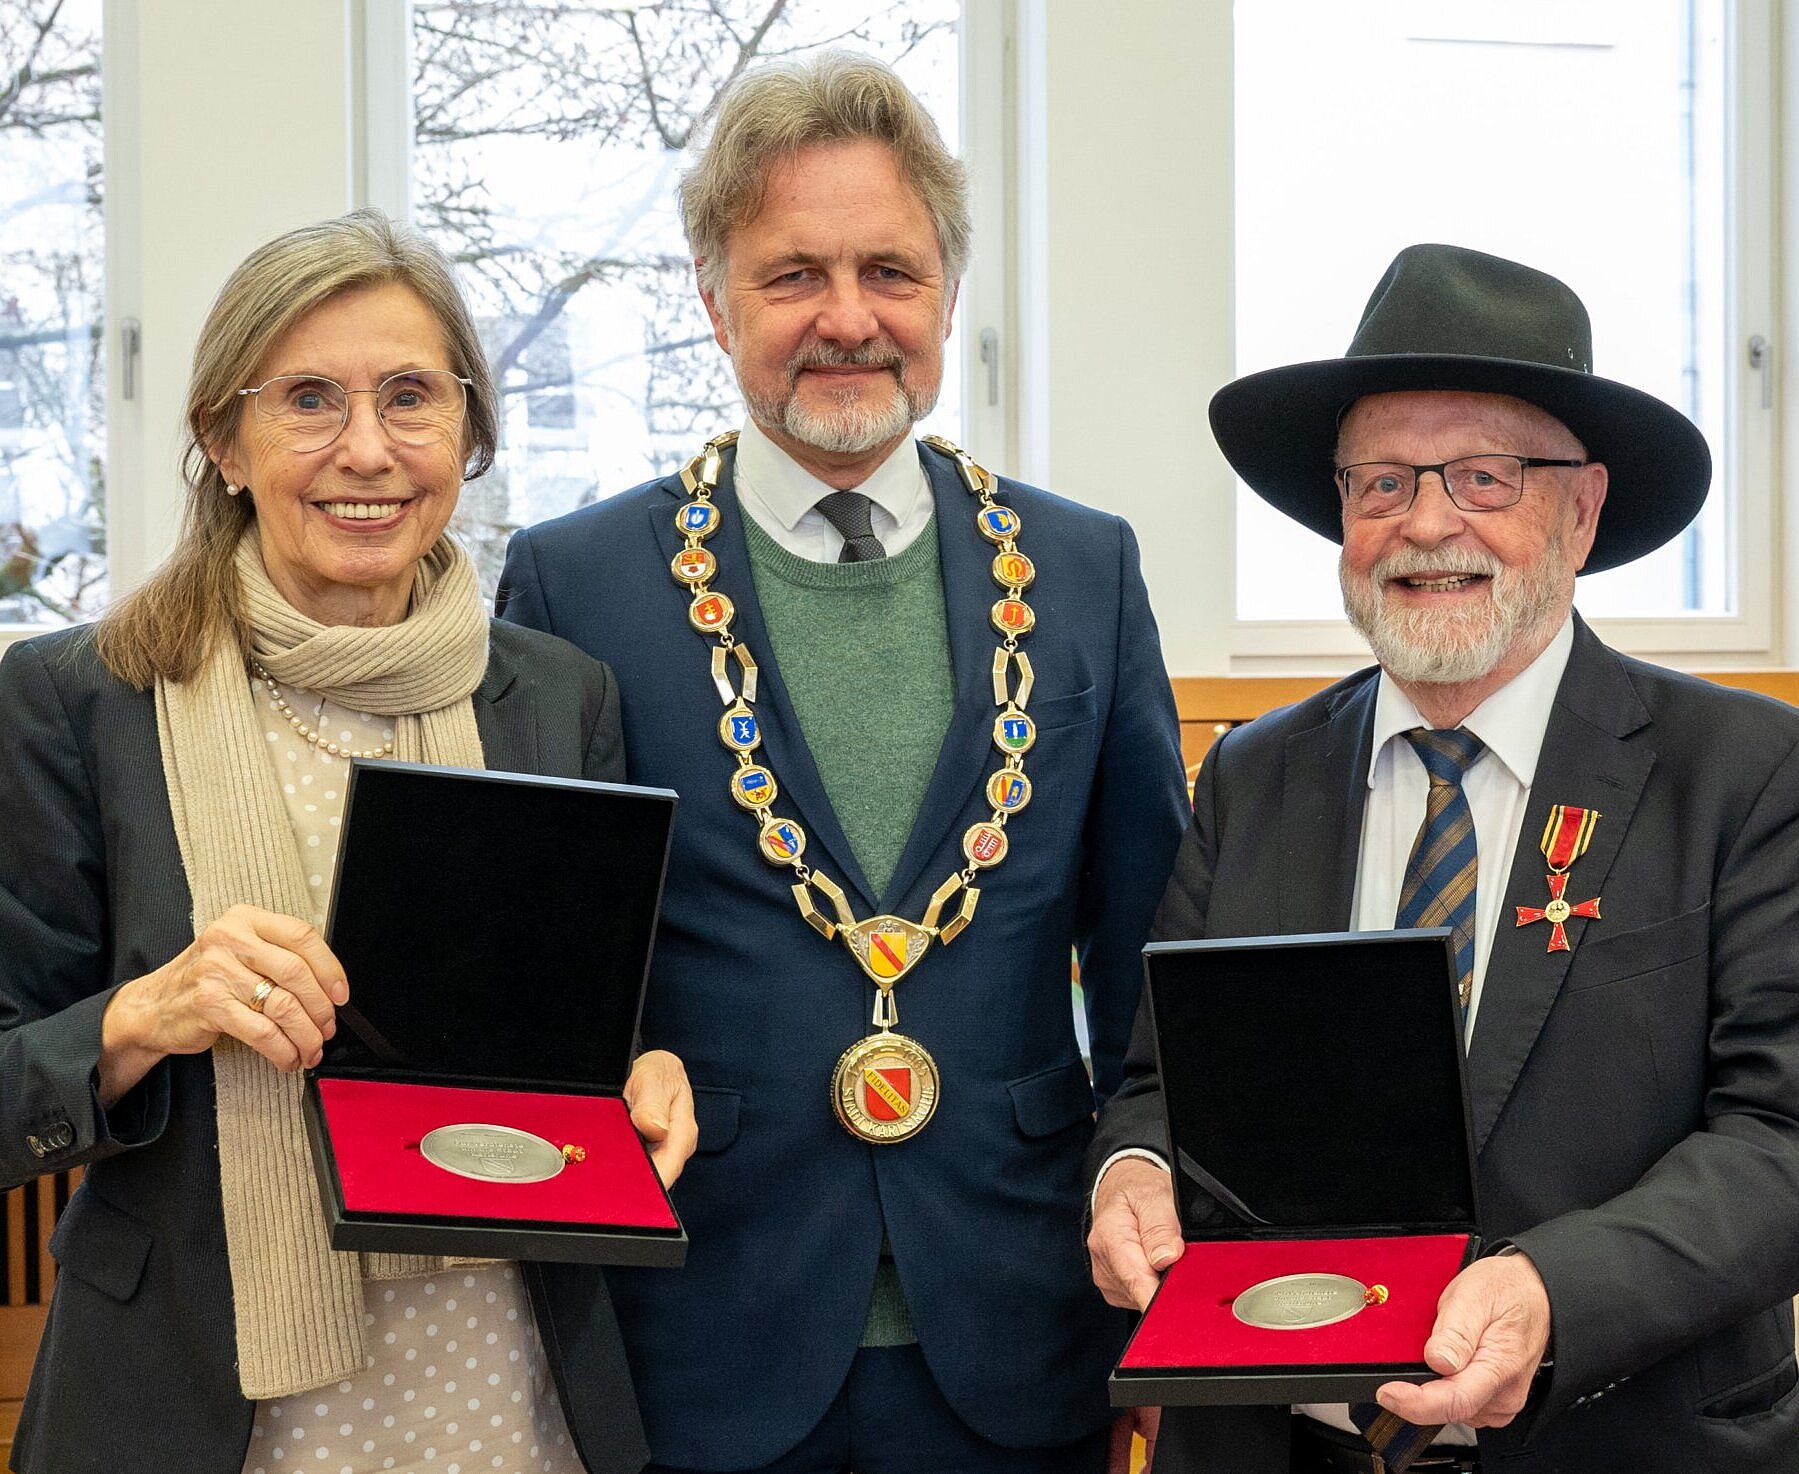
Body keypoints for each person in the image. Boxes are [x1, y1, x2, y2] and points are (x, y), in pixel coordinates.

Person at [496, 50, 1188, 1474]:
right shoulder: (577, 585)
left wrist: (1155, 1241)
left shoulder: (1082, 571)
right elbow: (544, 971)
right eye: (792, 274)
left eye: (890, 270)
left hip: (1017, 1319)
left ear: (945, 294)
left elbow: (1146, 974)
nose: (848, 319)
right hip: (701, 1317)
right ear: (712, 300)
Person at [0, 209, 697, 1474]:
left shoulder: (556, 696)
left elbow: (600, 1020)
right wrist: (141, 1015)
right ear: (222, 438)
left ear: (469, 434)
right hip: (198, 1406)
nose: (365, 450)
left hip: (506, 1387)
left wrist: (647, 1070)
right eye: (308, 398)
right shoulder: (77, 702)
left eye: (411, 398)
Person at [1087, 242, 1799, 1474]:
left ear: (1578, 511)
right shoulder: (1250, 777)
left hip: (1614, 1438)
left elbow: (1778, 1134)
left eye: (1481, 476)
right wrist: (1133, 1171)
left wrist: (1546, 1290)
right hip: (1274, 1443)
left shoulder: (1741, 773)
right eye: (1379, 484)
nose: (1424, 523)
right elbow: (1160, 1080)